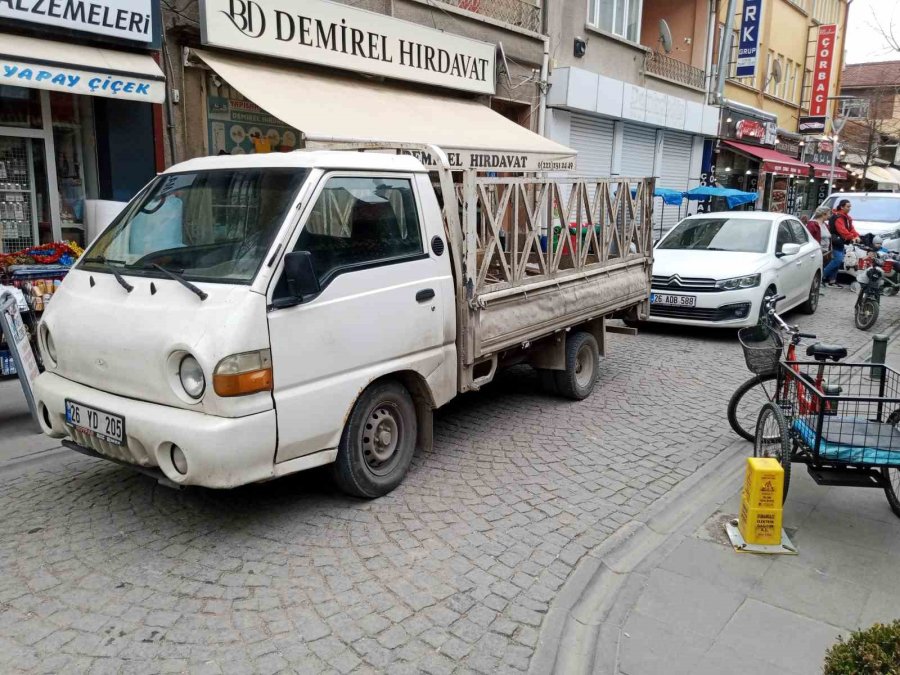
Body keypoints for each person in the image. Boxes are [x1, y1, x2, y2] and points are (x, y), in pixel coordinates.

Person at [823, 199, 860, 287]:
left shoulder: (845, 217)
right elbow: (842, 230)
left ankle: (832, 280)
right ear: (842, 207)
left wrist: (856, 235)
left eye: (850, 206)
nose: (849, 208)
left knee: (838, 261)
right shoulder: (839, 217)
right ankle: (822, 277)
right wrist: (853, 237)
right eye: (848, 206)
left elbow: (851, 228)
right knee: (837, 260)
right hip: (836, 241)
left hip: (839, 241)